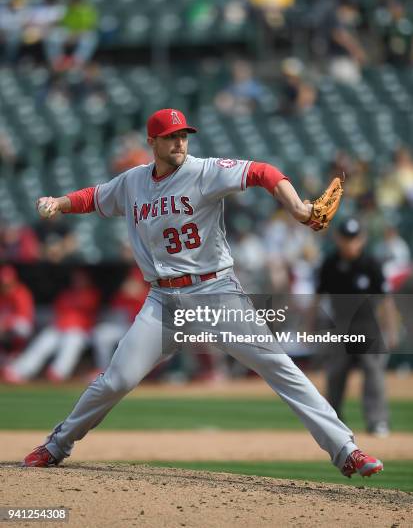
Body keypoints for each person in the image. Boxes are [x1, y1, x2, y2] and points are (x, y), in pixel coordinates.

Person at [23, 108, 382, 479]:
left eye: (183, 135)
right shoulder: (133, 182)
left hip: (215, 292)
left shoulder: (205, 170)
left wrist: (296, 206)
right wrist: (60, 202)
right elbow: (95, 197)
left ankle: (346, 450)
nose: (179, 142)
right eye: (170, 136)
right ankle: (56, 445)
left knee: (279, 366)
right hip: (163, 301)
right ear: (153, 142)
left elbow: (263, 172)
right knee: (116, 379)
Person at [312, 217, 399, 437]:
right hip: (340, 328)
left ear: (362, 239)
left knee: (374, 375)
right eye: (346, 238)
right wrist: (310, 325)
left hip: (368, 328)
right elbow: (317, 297)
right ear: (338, 239)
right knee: (335, 376)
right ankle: (333, 423)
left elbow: (386, 300)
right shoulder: (330, 263)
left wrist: (391, 330)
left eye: (354, 238)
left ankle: (378, 422)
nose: (350, 243)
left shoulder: (371, 263)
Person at [4, 269, 100, 383]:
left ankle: (58, 372)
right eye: (76, 279)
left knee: (72, 341)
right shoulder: (66, 294)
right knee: (44, 341)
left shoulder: (92, 294)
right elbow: (58, 312)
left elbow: (87, 311)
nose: (78, 281)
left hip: (81, 329)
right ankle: (19, 371)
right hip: (60, 327)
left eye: (81, 279)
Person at [0, 265, 34, 367]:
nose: (5, 285)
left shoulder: (21, 293)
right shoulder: (2, 295)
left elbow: (24, 317)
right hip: (6, 328)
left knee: (20, 327)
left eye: (8, 282)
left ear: (14, 281)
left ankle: (15, 354)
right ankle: (5, 361)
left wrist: (6, 323)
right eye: (3, 283)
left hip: (23, 327)